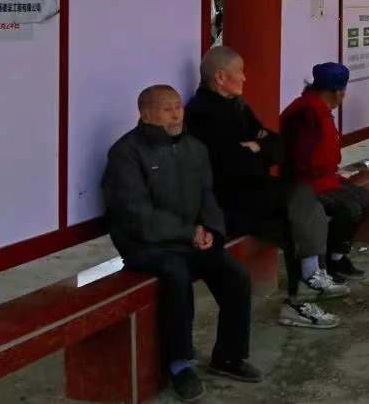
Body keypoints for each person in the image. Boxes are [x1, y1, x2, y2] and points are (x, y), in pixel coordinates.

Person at [101, 85, 263, 403]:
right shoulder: (126, 153)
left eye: (178, 107)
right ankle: (179, 366)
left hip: (190, 239)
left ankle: (229, 356)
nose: (176, 115)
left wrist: (211, 232)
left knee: (235, 274)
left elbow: (208, 196)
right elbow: (135, 214)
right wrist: (189, 232)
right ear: (146, 114)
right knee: (176, 276)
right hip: (144, 246)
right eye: (167, 109)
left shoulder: (194, 147)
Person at [184, 47, 346, 330]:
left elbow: (277, 145)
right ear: (221, 77)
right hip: (229, 201)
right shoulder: (203, 113)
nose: (245, 78)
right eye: (240, 72)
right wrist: (257, 150)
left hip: (255, 192)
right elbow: (230, 164)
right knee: (301, 206)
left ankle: (300, 296)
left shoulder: (238, 105)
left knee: (302, 217)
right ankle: (307, 283)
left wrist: (256, 147)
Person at [280, 62, 369, 281]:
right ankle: (330, 261)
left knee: (364, 198)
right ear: (338, 92)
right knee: (347, 208)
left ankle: (337, 256)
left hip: (324, 177)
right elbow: (299, 160)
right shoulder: (306, 113)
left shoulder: (318, 108)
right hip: (303, 182)